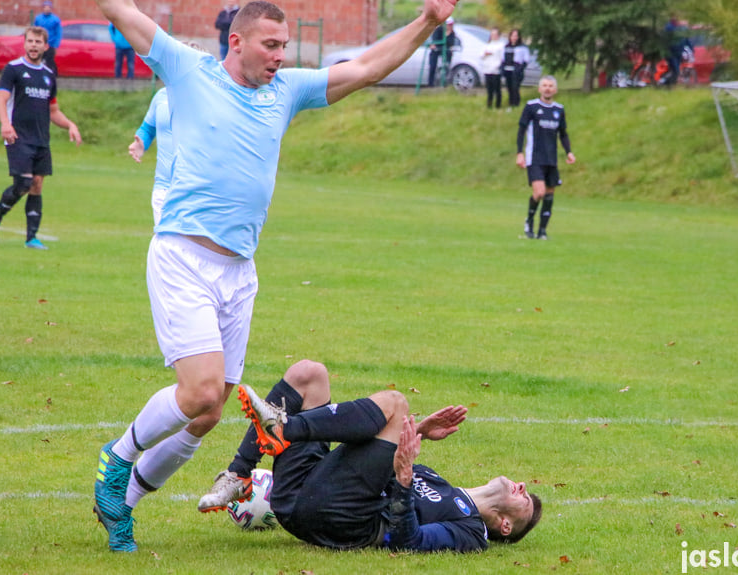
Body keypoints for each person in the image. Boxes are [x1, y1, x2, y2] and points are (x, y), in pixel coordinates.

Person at [90, 0, 460, 553]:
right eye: (270, 45)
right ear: (235, 42)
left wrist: (428, 22)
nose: (280, 56)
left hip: (238, 271)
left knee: (209, 412)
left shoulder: (285, 91)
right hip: (183, 256)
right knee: (202, 390)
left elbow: (366, 68)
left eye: (285, 46)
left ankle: (124, 506)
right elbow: (126, 15)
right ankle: (116, 461)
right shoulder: (188, 70)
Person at [197, 359, 543, 551]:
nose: (522, 486)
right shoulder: (440, 482)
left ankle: (283, 428)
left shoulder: (470, 533)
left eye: (525, 500)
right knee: (309, 375)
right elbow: (374, 462)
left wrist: (405, 481)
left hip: (341, 519)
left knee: (395, 404)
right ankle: (238, 476)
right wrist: (419, 431)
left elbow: (408, 540)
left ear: (506, 525)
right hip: (302, 496)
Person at [0, 26, 81, 250]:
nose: (33, 45)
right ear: (25, 43)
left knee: (37, 185)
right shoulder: (14, 69)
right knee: (24, 183)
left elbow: (53, 111)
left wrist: (69, 124)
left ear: (45, 46)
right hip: (17, 136)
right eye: (30, 41)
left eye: (38, 42)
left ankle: (31, 238)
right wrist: (5, 124)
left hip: (41, 139)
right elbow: (1, 100)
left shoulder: (48, 75)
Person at [516, 75, 575, 240]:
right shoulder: (531, 107)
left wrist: (568, 151)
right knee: (539, 192)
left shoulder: (559, 110)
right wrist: (519, 152)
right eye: (544, 85)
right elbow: (521, 130)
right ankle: (529, 222)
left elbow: (563, 134)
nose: (547, 88)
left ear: (555, 90)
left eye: (550, 86)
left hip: (551, 159)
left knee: (549, 194)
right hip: (534, 158)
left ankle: (542, 231)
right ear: (539, 89)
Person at [127, 87, 171, 224]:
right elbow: (148, 128)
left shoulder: (206, 93)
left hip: (197, 189)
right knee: (167, 241)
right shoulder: (161, 96)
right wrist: (141, 143)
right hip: (164, 187)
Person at [427, 17, 459, 87]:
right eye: (448, 25)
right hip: (436, 51)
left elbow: (451, 43)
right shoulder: (439, 30)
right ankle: (430, 83)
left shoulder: (452, 33)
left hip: (445, 51)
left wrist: (448, 35)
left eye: (451, 25)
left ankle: (444, 82)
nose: (450, 26)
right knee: (432, 66)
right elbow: (435, 41)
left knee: (446, 64)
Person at [501, 29, 529, 109]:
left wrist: (520, 69)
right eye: (513, 36)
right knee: (509, 87)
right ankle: (510, 102)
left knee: (515, 87)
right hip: (508, 70)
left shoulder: (523, 47)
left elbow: (526, 60)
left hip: (517, 70)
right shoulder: (506, 47)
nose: (514, 38)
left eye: (516, 36)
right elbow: (503, 59)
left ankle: (516, 103)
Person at [33, 0, 62, 73]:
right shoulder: (38, 18)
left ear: (51, 8)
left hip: (50, 45)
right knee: (37, 59)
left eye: (49, 7)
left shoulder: (55, 19)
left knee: (49, 62)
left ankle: (49, 75)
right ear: (43, 8)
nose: (47, 9)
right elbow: (34, 30)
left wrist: (56, 45)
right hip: (40, 44)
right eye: (45, 7)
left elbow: (58, 33)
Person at [481, 27, 503, 109]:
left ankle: (498, 105)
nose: (493, 36)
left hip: (496, 70)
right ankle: (489, 104)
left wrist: (497, 65)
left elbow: (501, 58)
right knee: (489, 89)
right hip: (487, 69)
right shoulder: (487, 45)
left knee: (497, 89)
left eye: (495, 34)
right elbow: (481, 55)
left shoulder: (501, 45)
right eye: (492, 34)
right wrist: (485, 54)